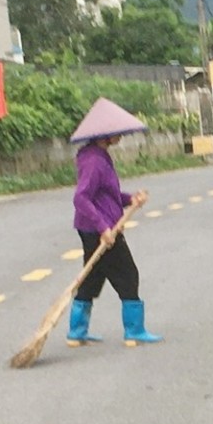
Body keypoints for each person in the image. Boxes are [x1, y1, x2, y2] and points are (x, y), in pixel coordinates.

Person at [67, 98, 160, 346]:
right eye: (117, 133)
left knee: (93, 276)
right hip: (100, 228)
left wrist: (131, 199)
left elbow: (108, 195)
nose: (121, 136)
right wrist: (104, 228)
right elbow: (81, 198)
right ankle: (134, 331)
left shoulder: (99, 156)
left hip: (95, 227)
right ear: (104, 135)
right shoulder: (94, 161)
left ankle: (77, 332)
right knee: (127, 274)